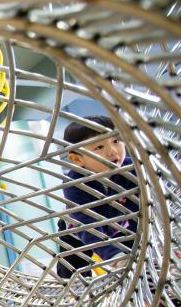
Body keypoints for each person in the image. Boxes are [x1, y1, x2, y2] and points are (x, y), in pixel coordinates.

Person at [55, 115, 139, 279]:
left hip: (120, 226)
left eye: (116, 141)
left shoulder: (131, 170)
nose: (112, 151)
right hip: (78, 230)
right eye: (99, 147)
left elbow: (140, 210)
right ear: (77, 159)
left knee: (136, 255)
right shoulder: (75, 184)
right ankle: (73, 287)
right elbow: (87, 225)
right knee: (72, 271)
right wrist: (113, 256)